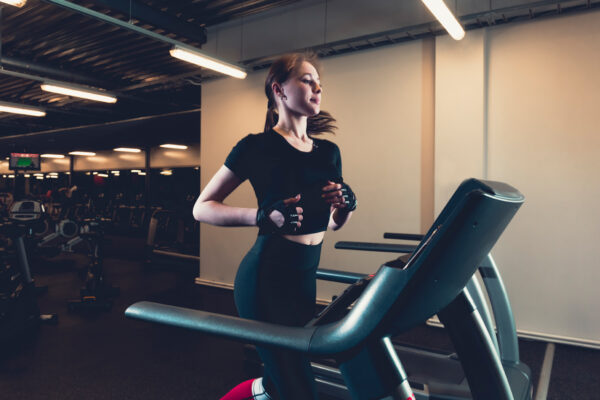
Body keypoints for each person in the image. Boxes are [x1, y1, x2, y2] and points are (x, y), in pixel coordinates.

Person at [193, 53, 357, 400]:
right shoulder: (256, 146)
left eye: (319, 83)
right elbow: (201, 208)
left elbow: (332, 223)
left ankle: (253, 393)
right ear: (278, 89)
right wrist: (259, 216)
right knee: (299, 388)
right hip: (266, 278)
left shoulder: (329, 152)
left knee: (282, 379)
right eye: (307, 80)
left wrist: (346, 207)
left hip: (304, 279)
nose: (317, 87)